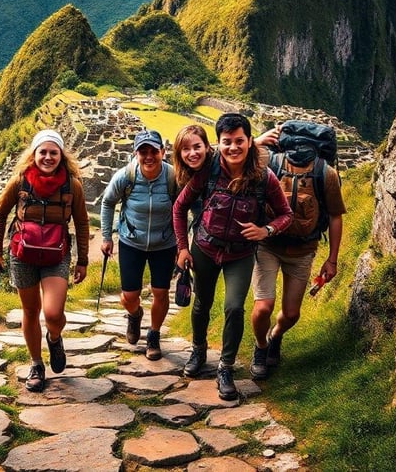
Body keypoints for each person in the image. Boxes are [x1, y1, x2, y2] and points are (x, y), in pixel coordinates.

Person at [173, 113, 293, 400]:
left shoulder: (265, 177)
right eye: (227, 142)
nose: (233, 147)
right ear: (219, 143)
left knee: (234, 307)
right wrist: (182, 248)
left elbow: (286, 215)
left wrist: (266, 230)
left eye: (240, 141)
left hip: (240, 253)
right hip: (204, 246)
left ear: (250, 142)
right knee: (201, 304)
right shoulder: (208, 171)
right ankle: (199, 350)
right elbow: (179, 208)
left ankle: (225, 368)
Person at [0, 129, 89, 393]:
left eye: (53, 152)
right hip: (23, 253)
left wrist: (83, 260)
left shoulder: (72, 185)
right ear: (33, 154)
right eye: (42, 152)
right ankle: (36, 364)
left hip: (56, 254)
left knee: (53, 313)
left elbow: (81, 221)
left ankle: (54, 337)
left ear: (61, 155)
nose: (48, 157)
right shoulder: (20, 181)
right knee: (31, 311)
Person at [249, 125, 347, 379]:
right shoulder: (270, 162)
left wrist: (332, 259)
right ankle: (261, 348)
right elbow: (232, 155)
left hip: (303, 250)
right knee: (262, 308)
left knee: (291, 314)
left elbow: (335, 216)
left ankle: (275, 336)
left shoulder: (327, 175)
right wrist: (257, 140)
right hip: (268, 244)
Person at [100, 129, 177, 361]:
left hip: (164, 243)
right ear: (136, 154)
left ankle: (154, 335)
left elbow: (187, 207)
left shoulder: (174, 178)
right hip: (131, 241)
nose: (149, 156)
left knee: (161, 292)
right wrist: (106, 237)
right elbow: (107, 202)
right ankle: (135, 315)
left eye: (153, 151)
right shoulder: (126, 176)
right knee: (128, 296)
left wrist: (184, 243)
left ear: (162, 152)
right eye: (143, 151)